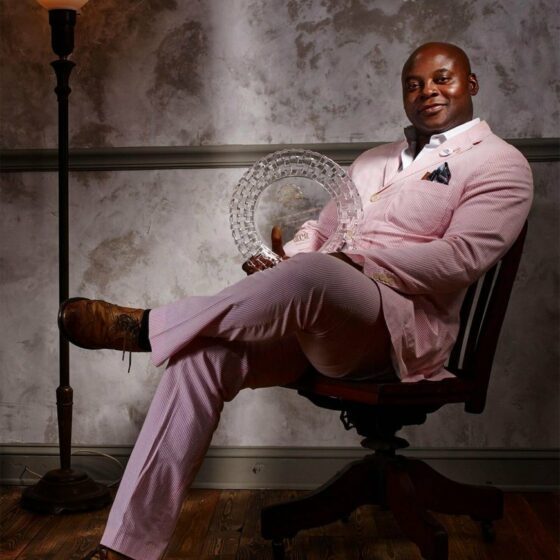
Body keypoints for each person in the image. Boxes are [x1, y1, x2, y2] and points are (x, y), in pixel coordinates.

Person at [68, 42, 533, 560]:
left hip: (400, 332)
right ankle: (126, 549)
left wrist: (350, 265)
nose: (428, 91)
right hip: (322, 323)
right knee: (199, 356)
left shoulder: (501, 164)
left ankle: (148, 327)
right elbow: (322, 231)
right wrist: (284, 261)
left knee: (316, 272)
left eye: (442, 79)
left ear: (471, 84)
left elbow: (460, 259)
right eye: (414, 84)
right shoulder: (373, 160)